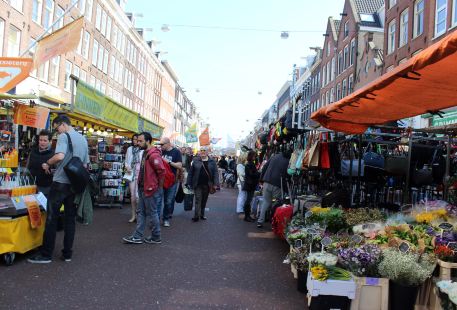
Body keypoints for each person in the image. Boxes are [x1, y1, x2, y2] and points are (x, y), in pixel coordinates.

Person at [28, 114, 89, 263]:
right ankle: (67, 253)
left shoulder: (64, 136)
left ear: (62, 124)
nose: (57, 132)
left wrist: (48, 163)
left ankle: (46, 254)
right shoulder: (82, 139)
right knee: (70, 220)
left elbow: (60, 156)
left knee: (51, 218)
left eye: (57, 128)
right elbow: (85, 164)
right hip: (74, 185)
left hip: (60, 182)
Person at [123, 132, 165, 244]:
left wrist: (158, 188)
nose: (138, 143)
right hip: (144, 187)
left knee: (152, 212)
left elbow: (161, 172)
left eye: (141, 141)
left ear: (148, 141)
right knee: (142, 212)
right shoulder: (146, 152)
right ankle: (137, 236)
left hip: (150, 188)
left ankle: (156, 236)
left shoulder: (153, 155)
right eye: (138, 140)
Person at [256, 149, 291, 228]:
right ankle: (274, 222)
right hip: (277, 184)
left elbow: (265, 166)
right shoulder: (288, 161)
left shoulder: (274, 156)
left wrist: (261, 179)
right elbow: (287, 176)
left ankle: (260, 221)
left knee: (266, 202)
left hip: (267, 181)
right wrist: (286, 189)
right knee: (276, 204)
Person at [186, 147, 219, 222]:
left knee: (204, 200)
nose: (203, 152)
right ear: (199, 152)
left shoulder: (212, 161)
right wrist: (188, 182)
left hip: (207, 185)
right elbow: (191, 172)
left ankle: (202, 214)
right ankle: (196, 216)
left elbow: (215, 173)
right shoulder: (195, 160)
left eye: (204, 150)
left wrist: (216, 183)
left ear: (207, 152)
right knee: (198, 199)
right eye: (201, 150)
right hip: (197, 184)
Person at [159, 137, 182, 227]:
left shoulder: (176, 152)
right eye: (160, 144)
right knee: (158, 200)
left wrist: (168, 162)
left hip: (172, 181)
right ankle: (156, 219)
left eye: (162, 144)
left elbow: (179, 165)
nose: (161, 146)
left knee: (168, 201)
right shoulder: (159, 151)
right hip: (160, 180)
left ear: (168, 143)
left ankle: (166, 218)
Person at [26, 130, 54, 198]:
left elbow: (57, 171)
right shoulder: (33, 151)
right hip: (31, 186)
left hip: (46, 188)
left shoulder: (53, 154)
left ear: (50, 141)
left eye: (45, 140)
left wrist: (49, 169)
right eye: (40, 140)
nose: (42, 142)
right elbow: (28, 166)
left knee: (43, 208)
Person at [124, 134, 143, 223]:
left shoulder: (142, 150)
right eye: (134, 139)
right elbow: (126, 161)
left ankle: (139, 214)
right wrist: (127, 167)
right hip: (131, 173)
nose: (135, 141)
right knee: (133, 196)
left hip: (140, 174)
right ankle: (133, 215)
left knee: (138, 196)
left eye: (137, 140)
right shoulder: (129, 149)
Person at [242, 151, 260, 222]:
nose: (255, 157)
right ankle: (247, 216)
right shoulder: (249, 164)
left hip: (250, 184)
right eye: (254, 156)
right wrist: (258, 173)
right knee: (248, 200)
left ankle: (247, 216)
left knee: (248, 200)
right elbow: (251, 174)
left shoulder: (249, 164)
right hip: (250, 185)